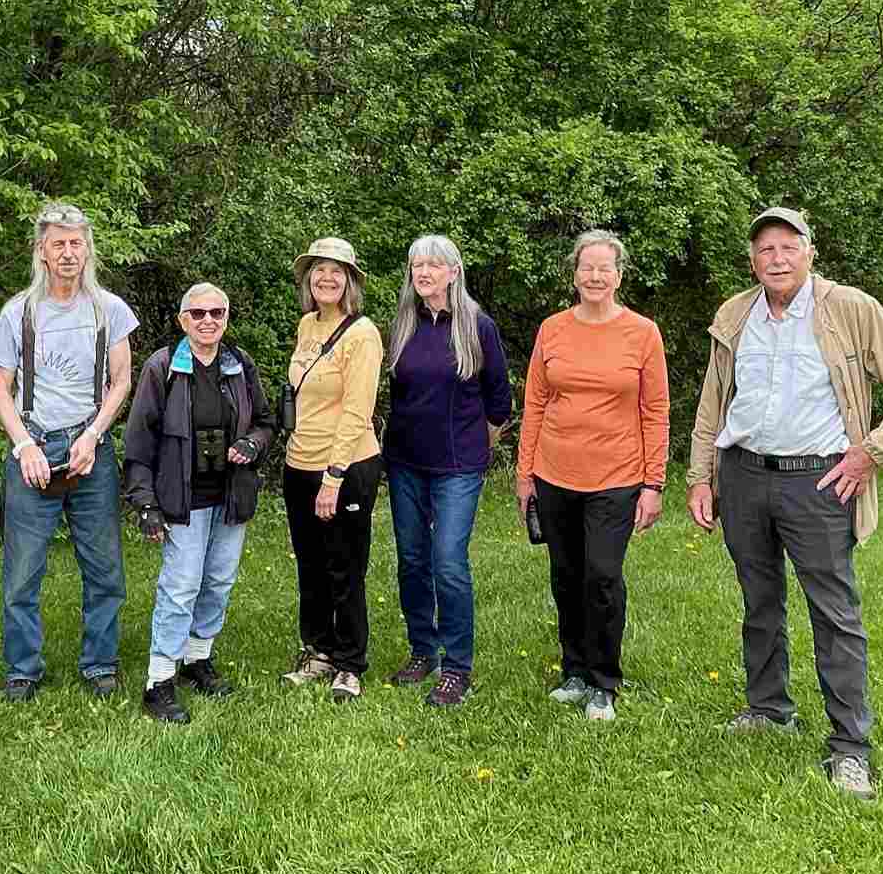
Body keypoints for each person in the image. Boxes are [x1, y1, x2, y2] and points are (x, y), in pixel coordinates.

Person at [687, 207, 883, 800]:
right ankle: (769, 707)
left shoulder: (849, 309)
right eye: (764, 250)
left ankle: (850, 747)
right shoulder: (735, 314)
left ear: (809, 251)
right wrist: (702, 476)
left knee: (834, 613)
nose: (776, 258)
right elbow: (712, 405)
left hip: (821, 482)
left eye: (787, 246)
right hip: (743, 476)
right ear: (752, 261)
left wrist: (872, 452)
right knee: (760, 600)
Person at [516, 229, 668, 724]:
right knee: (566, 576)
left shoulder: (642, 333)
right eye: (588, 268)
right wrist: (525, 475)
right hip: (554, 472)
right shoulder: (553, 329)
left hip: (617, 477)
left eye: (605, 268)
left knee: (602, 575)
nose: (596, 276)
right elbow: (535, 401)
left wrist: (653, 483)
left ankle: (604, 680)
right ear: (575, 274)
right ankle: (574, 670)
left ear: (619, 276)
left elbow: (656, 410)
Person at [0, 202, 138, 701]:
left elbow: (121, 381)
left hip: (88, 447)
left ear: (87, 249)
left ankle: (100, 663)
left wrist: (93, 435)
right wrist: (24, 445)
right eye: (59, 244)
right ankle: (23, 669)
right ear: (42, 252)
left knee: (105, 568)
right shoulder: (19, 313)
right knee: (22, 573)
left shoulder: (109, 310)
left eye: (77, 243)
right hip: (34, 445)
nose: (69, 253)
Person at [122, 283, 276, 723]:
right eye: (199, 313)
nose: (208, 321)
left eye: (217, 313)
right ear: (182, 320)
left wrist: (252, 443)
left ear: (227, 317)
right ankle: (159, 681)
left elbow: (266, 422)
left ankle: (197, 659)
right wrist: (145, 502)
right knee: (181, 585)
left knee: (219, 582)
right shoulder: (164, 366)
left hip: (230, 495)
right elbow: (139, 439)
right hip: (181, 498)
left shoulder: (238, 363)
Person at [382, 236, 512, 707]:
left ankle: (457, 667)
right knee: (412, 561)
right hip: (405, 464)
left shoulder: (477, 326)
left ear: (453, 272)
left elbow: (500, 401)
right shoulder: (402, 325)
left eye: (434, 264)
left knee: (449, 563)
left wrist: (479, 443)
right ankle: (423, 650)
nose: (424, 272)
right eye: (417, 264)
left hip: (458, 467)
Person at [279, 237, 384, 703]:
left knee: (344, 566)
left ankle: (349, 662)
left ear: (350, 281)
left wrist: (334, 476)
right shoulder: (307, 326)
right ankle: (317, 650)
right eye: (319, 270)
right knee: (311, 566)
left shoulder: (362, 334)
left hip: (345, 465)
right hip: (298, 463)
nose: (327, 278)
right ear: (308, 279)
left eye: (337, 271)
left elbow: (357, 410)